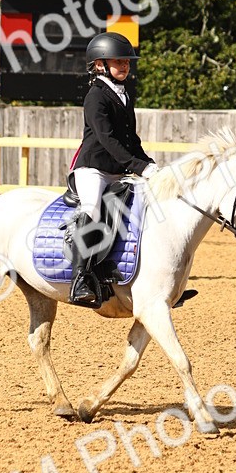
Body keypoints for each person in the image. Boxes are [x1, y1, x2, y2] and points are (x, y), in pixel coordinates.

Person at [68, 30, 157, 307]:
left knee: (144, 209)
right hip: (93, 168)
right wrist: (137, 166)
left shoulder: (125, 93)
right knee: (94, 210)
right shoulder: (95, 96)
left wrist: (149, 164)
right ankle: (80, 278)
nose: (125, 66)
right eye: (119, 61)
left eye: (127, 62)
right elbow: (108, 140)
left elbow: (131, 138)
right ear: (99, 64)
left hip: (119, 169)